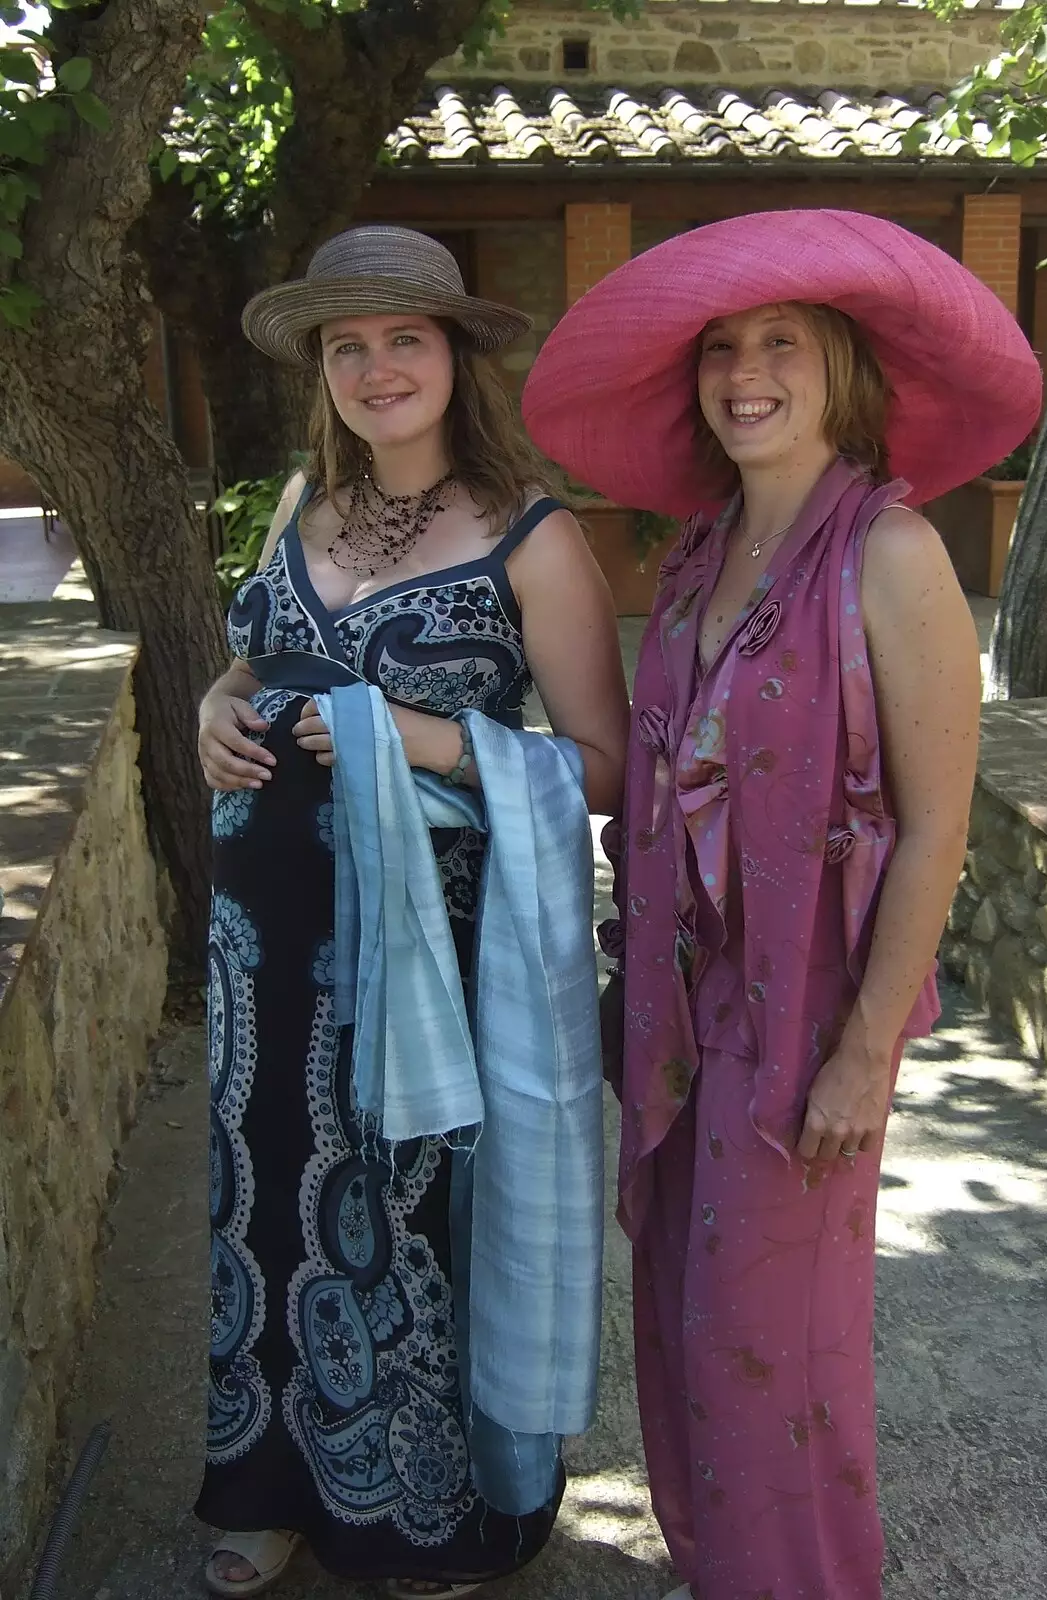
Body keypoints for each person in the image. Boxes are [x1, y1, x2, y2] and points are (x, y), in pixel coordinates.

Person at [522, 210, 1042, 1600]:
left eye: (784, 347)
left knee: (770, 1352)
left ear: (845, 374)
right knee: (684, 1337)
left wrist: (866, 1053)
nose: (746, 373)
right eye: (724, 349)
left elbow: (935, 828)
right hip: (679, 1013)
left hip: (805, 1019)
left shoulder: (891, 554)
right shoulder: (693, 559)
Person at [195, 225, 628, 1598]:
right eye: (347, 347)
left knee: (406, 1223)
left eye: (403, 338)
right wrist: (217, 705)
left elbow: (605, 763)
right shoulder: (295, 508)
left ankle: (426, 1517)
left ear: (455, 357)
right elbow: (255, 660)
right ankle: (262, 1489)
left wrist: (432, 744)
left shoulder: (532, 536)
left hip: (427, 960)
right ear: (322, 373)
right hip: (258, 958)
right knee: (261, 1210)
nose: (376, 368)